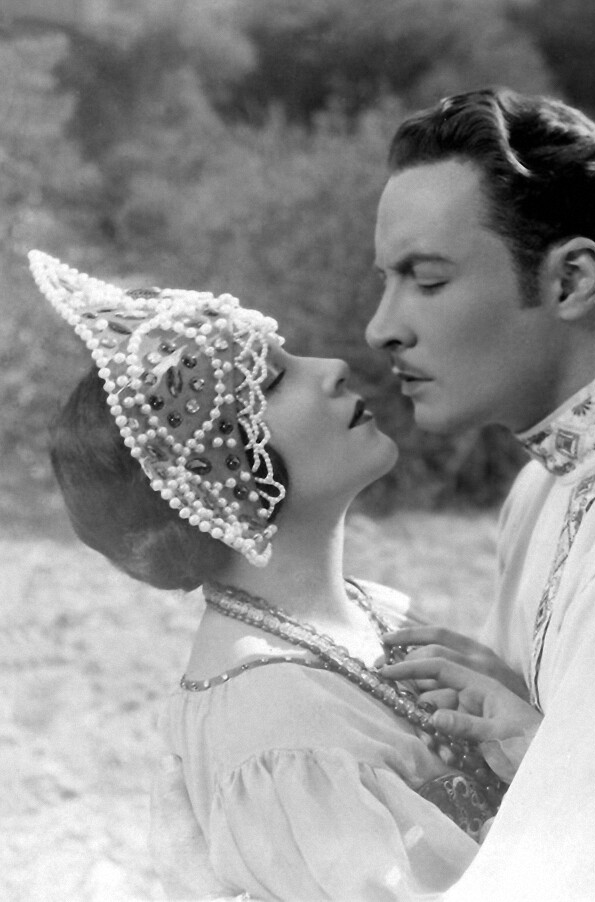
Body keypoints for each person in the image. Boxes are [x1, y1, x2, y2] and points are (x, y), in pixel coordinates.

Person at [29, 249, 529, 901]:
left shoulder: (371, 610)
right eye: (272, 382)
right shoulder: (278, 722)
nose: (331, 368)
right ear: (218, 474)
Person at [366, 88, 595, 899]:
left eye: (426, 280)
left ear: (571, 279)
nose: (382, 328)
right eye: (387, 282)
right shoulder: (544, 484)